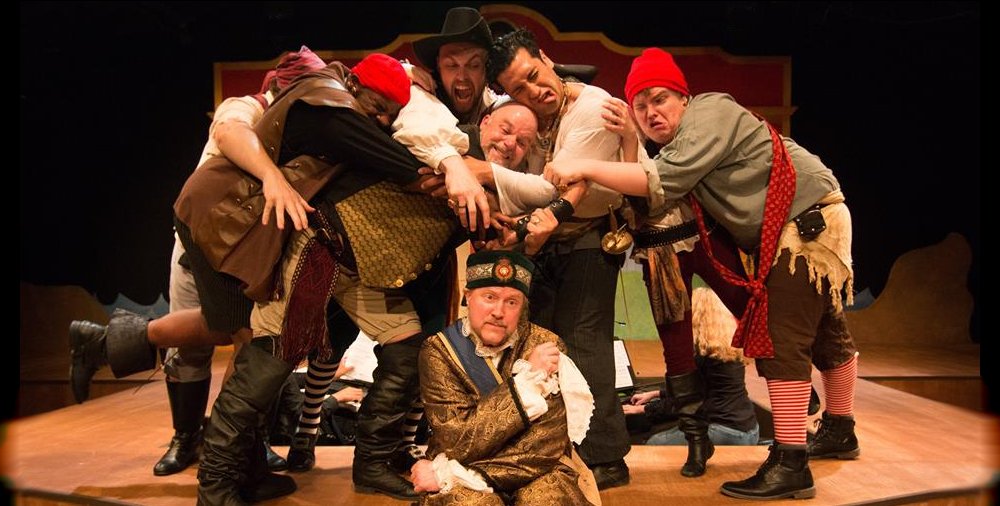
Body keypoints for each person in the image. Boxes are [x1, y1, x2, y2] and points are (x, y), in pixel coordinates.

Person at [545, 47, 860, 500]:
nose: (652, 112)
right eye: (642, 105)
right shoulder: (680, 142)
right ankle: (840, 428)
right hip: (807, 222)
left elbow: (658, 184)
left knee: (781, 337)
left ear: (684, 96)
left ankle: (790, 463)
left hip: (804, 225)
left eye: (660, 99)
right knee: (828, 332)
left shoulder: (710, 112)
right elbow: (653, 187)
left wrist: (584, 165)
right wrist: (631, 143)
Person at [67, 46, 327, 477]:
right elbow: (228, 135)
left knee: (253, 343)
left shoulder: (296, 132)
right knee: (198, 348)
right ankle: (187, 438)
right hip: (199, 251)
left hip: (249, 259)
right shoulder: (245, 107)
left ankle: (248, 441)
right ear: (282, 91)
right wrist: (272, 175)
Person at [486, 27, 632, 490]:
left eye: (533, 75)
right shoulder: (532, 120)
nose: (533, 91)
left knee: (584, 342)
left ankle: (606, 458)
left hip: (590, 237)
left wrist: (478, 171)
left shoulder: (593, 108)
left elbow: (553, 190)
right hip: (547, 244)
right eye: (518, 89)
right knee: (543, 345)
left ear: (546, 57)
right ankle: (559, 447)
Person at [411, 250, 600, 506]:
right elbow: (458, 440)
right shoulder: (438, 351)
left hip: (530, 467)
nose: (498, 311)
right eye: (489, 297)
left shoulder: (546, 345)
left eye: (511, 302)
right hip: (459, 459)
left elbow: (546, 442)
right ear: (468, 297)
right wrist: (525, 387)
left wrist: (467, 475)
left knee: (544, 500)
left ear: (522, 307)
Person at [624, 287, 759, 447]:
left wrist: (641, 410)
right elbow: (703, 389)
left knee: (654, 441)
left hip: (725, 432)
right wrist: (655, 394)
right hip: (749, 430)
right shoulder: (727, 350)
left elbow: (683, 401)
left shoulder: (703, 356)